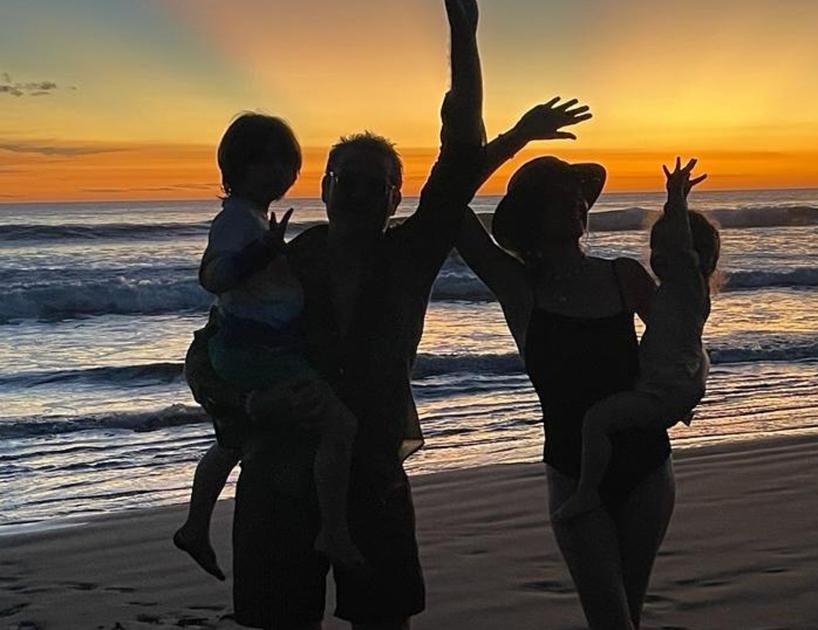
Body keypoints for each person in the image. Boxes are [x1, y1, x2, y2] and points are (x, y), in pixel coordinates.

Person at [183, 1, 593, 625]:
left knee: (384, 619)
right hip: (278, 474)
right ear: (322, 189)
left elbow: (458, 154)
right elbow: (207, 352)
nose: (355, 192)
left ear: (396, 197)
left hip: (372, 473)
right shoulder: (283, 261)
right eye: (343, 179)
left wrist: (463, 34)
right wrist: (244, 406)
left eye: (374, 183)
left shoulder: (410, 254)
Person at [456, 155, 675, 629]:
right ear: (532, 215)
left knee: (628, 613)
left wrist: (675, 397)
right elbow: (451, 206)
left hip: (648, 466)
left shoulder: (624, 276)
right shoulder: (519, 289)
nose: (576, 200)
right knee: (609, 619)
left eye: (577, 192)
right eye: (559, 194)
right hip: (573, 473)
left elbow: (677, 344)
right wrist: (514, 140)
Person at [174, 112, 365, 583]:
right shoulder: (238, 220)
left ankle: (195, 526)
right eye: (266, 161)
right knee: (339, 425)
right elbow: (214, 277)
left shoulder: (253, 218)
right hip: (257, 353)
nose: (279, 172)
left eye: (287, 162)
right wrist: (259, 255)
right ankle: (334, 531)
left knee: (232, 439)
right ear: (236, 166)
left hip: (253, 349)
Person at [553, 158, 719, 524]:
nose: (657, 256)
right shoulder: (682, 294)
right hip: (679, 385)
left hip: (665, 392)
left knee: (596, 422)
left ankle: (586, 493)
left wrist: (675, 198)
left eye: (664, 248)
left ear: (693, 257)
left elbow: (680, 244)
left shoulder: (687, 284)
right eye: (654, 247)